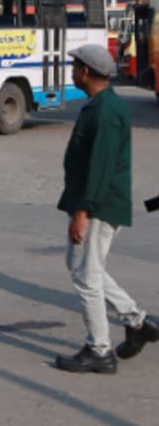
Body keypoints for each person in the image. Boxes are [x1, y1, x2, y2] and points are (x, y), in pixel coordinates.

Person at [53, 43, 156, 374]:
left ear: (85, 71)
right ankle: (137, 321)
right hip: (93, 201)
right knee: (81, 266)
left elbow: (101, 166)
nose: (71, 71)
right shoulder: (101, 104)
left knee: (86, 277)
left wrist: (83, 212)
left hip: (99, 205)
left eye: (74, 66)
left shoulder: (107, 111)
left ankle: (99, 350)